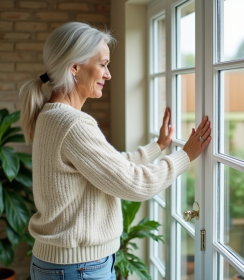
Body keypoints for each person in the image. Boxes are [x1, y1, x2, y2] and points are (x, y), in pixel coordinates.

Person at [19, 22, 211, 280]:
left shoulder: (52, 115)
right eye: (103, 64)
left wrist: (159, 147)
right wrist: (185, 156)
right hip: (79, 268)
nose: (108, 75)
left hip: (63, 265)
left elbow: (108, 166)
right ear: (74, 67)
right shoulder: (73, 124)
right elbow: (134, 183)